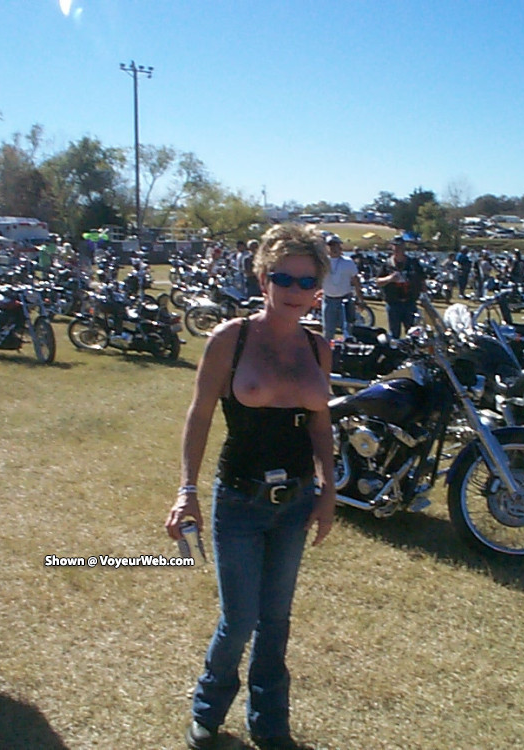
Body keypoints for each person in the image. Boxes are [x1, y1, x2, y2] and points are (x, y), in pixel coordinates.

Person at [165, 224, 336, 750]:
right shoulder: (230, 339)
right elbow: (199, 416)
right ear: (263, 279)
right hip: (240, 500)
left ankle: (270, 722)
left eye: (306, 282)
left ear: (318, 290)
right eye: (283, 277)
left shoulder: (318, 348)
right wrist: (186, 490)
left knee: (276, 620)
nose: (293, 290)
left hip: (295, 502)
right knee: (239, 620)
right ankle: (207, 712)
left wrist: (328, 489)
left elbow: (320, 425)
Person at [375, 239, 425, 338]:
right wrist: (389, 279)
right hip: (393, 304)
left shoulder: (413, 263)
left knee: (413, 333)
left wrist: (424, 296)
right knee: (394, 334)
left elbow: (422, 280)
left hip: (410, 303)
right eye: (395, 246)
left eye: (400, 246)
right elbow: (378, 281)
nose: (398, 249)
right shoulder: (387, 264)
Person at [320, 235, 362, 340]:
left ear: (340, 247)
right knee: (328, 331)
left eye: (336, 245)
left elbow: (356, 281)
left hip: (345, 300)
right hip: (329, 300)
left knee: (348, 330)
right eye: (331, 246)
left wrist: (360, 298)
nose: (334, 248)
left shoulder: (348, 262)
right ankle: (327, 349)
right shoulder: (322, 263)